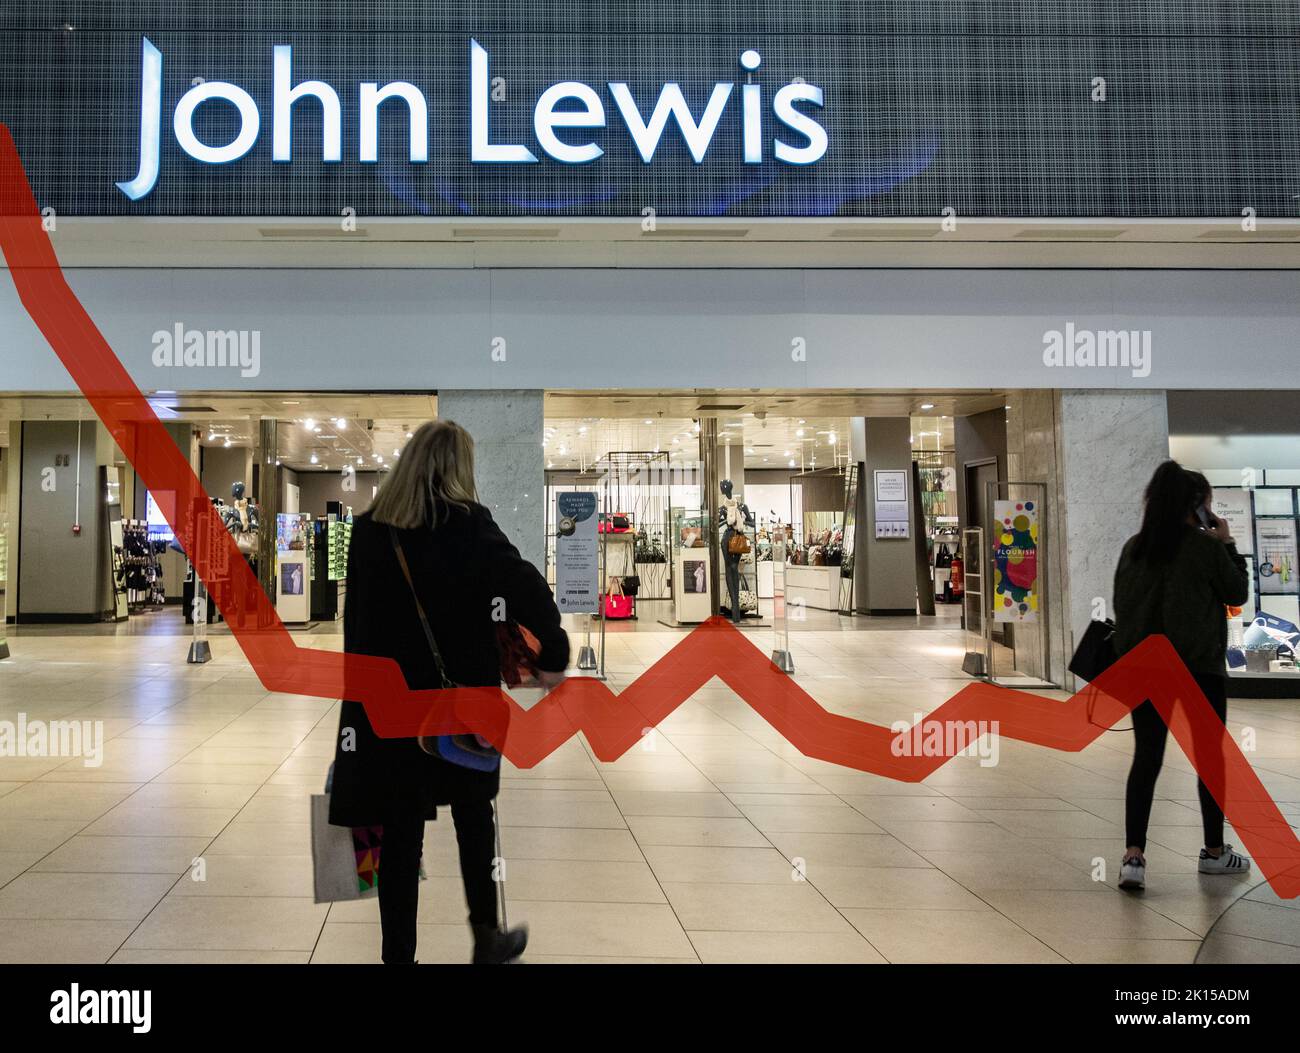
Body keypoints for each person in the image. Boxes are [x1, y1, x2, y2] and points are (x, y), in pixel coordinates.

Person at [328, 420, 569, 963]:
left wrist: (358, 713)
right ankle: (486, 936)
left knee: (400, 830)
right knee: (473, 817)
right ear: (458, 468)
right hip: (465, 703)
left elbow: (357, 628)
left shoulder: (370, 531)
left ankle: (398, 957)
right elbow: (529, 589)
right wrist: (551, 650)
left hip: (392, 711)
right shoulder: (470, 525)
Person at [1112, 461, 1251, 892]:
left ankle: (1134, 857)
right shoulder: (1206, 548)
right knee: (1210, 759)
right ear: (1198, 506)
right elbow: (1236, 594)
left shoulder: (1135, 548)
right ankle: (1213, 852)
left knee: (1146, 759)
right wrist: (1227, 544)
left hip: (1146, 669)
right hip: (1198, 669)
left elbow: (1122, 606)